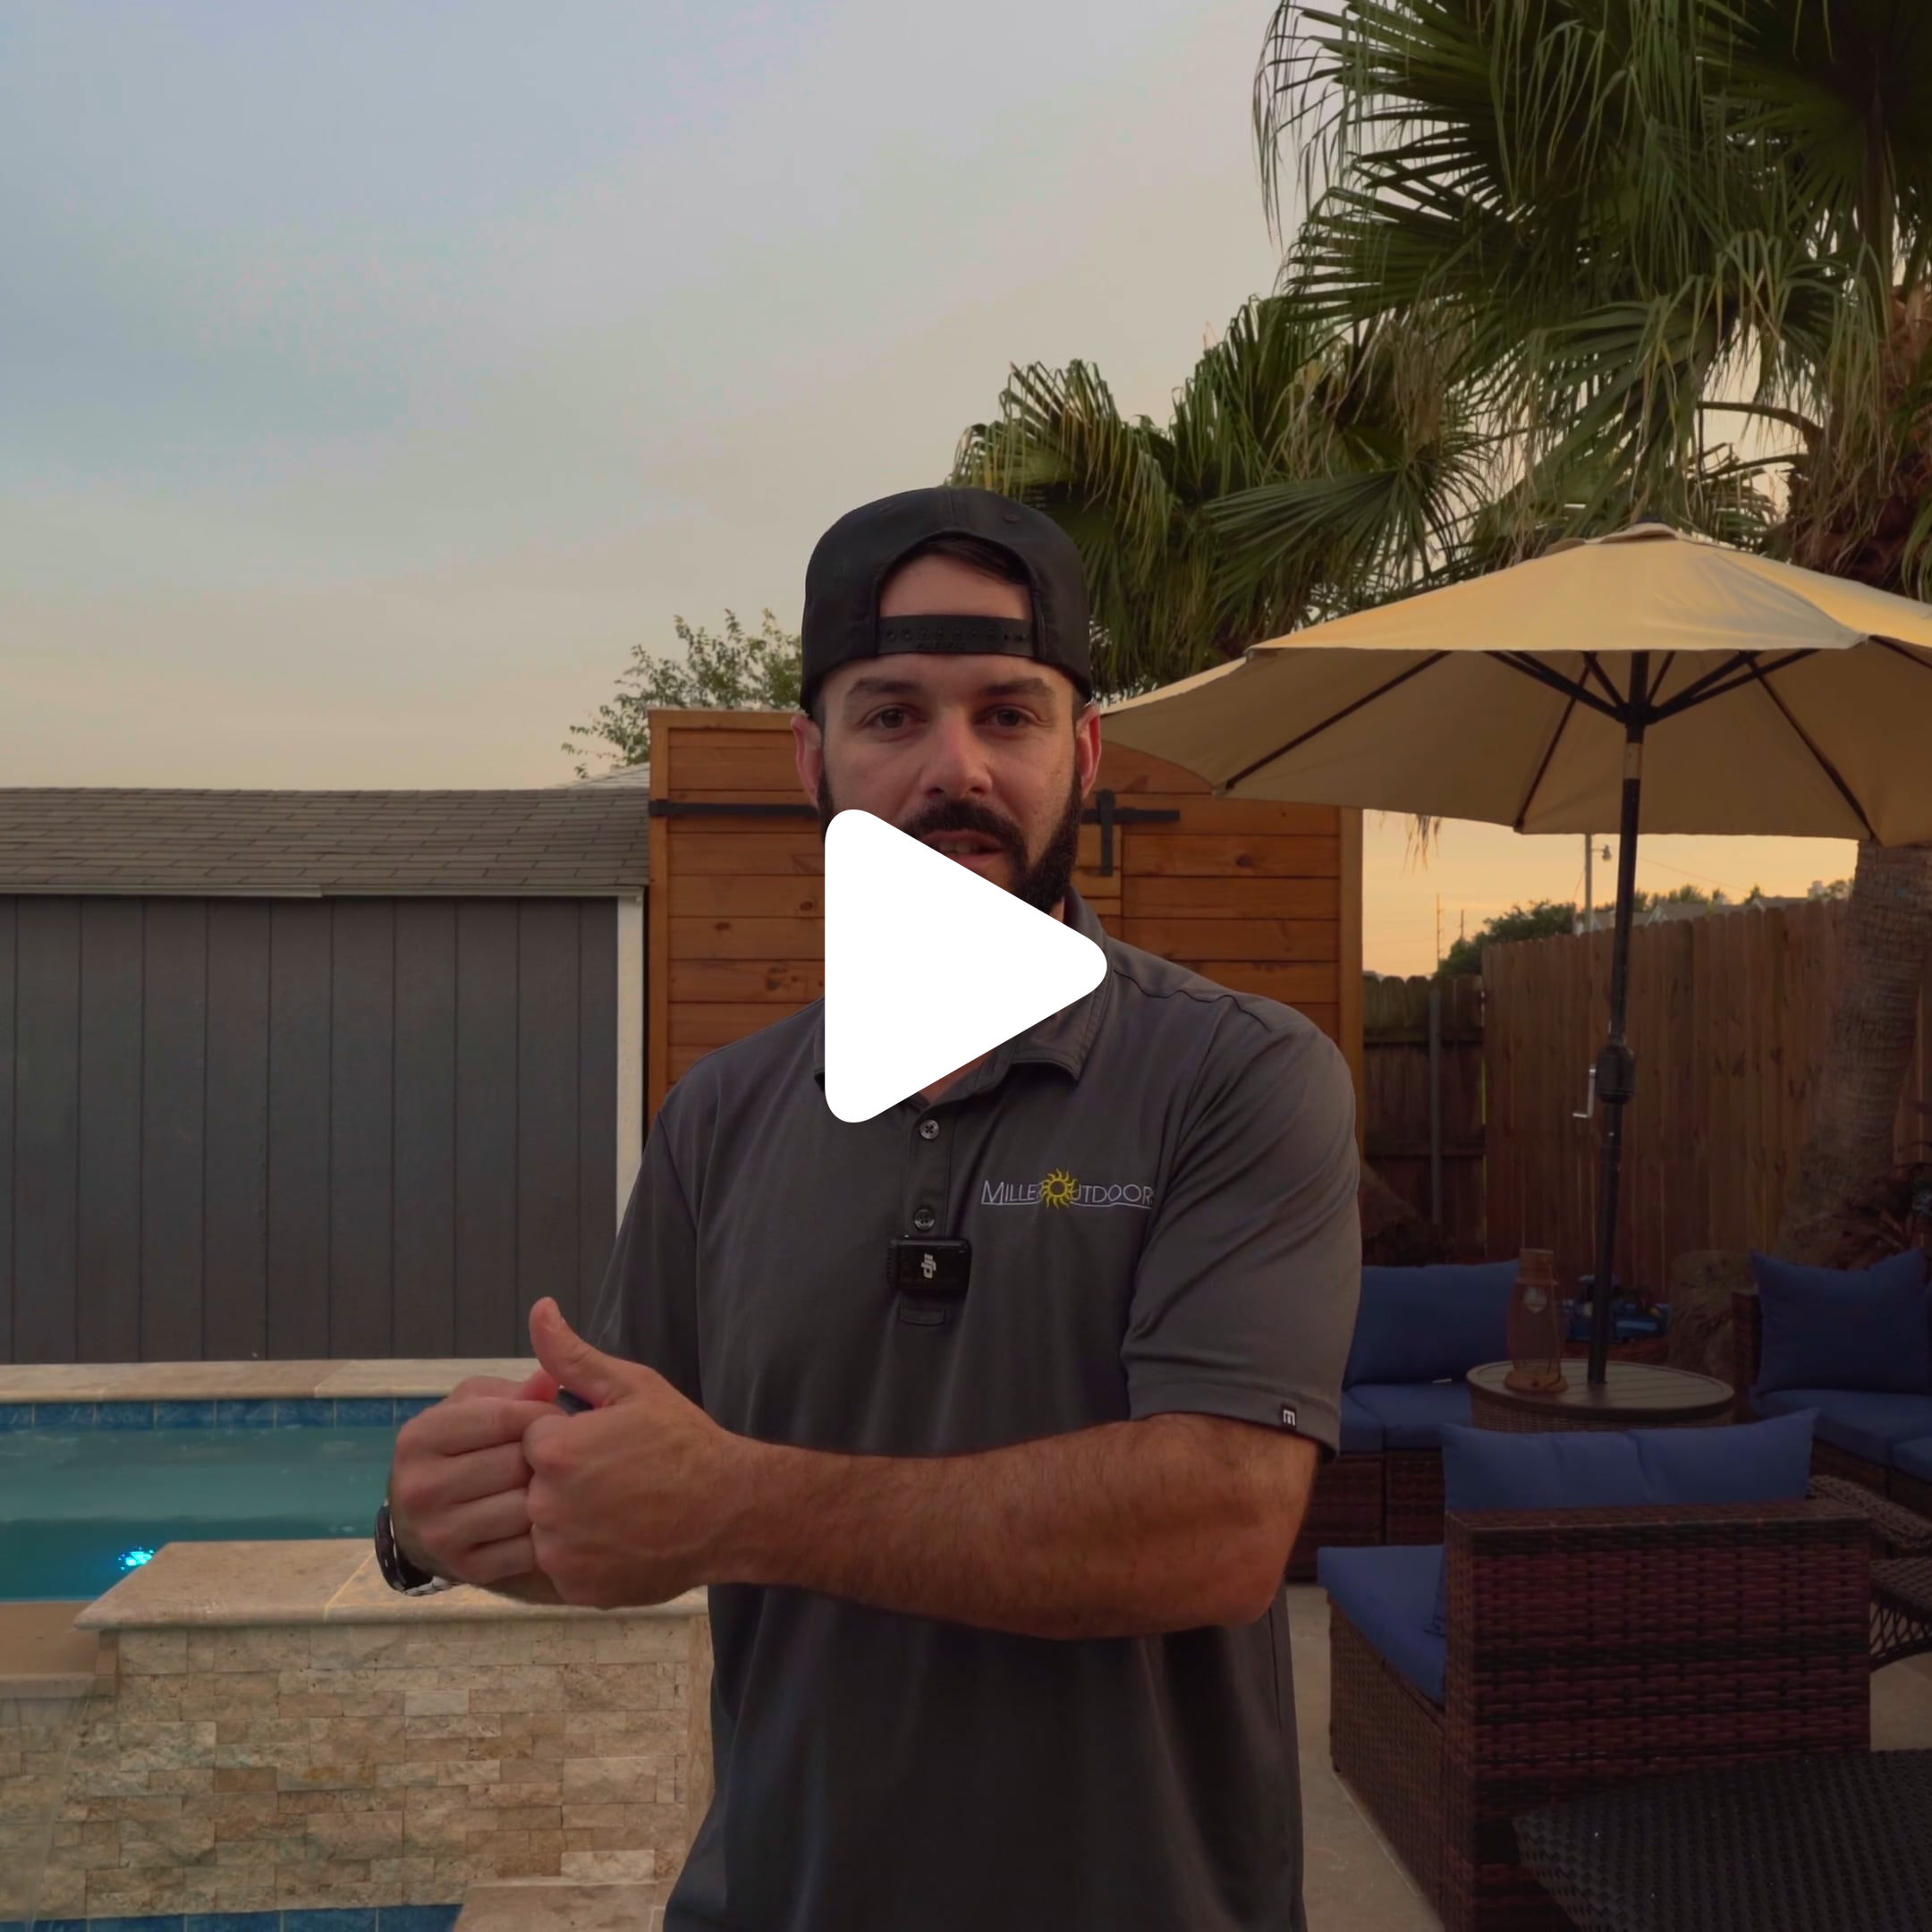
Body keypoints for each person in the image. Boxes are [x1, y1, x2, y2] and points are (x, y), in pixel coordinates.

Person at [377, 486, 1362, 1930]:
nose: (953, 768)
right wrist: (446, 1518)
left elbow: (1216, 1533)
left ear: (1081, 754)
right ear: (811, 760)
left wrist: (738, 1504)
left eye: (1008, 715)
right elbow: (619, 1504)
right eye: (892, 715)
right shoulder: (723, 1116)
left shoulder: (1237, 1078)